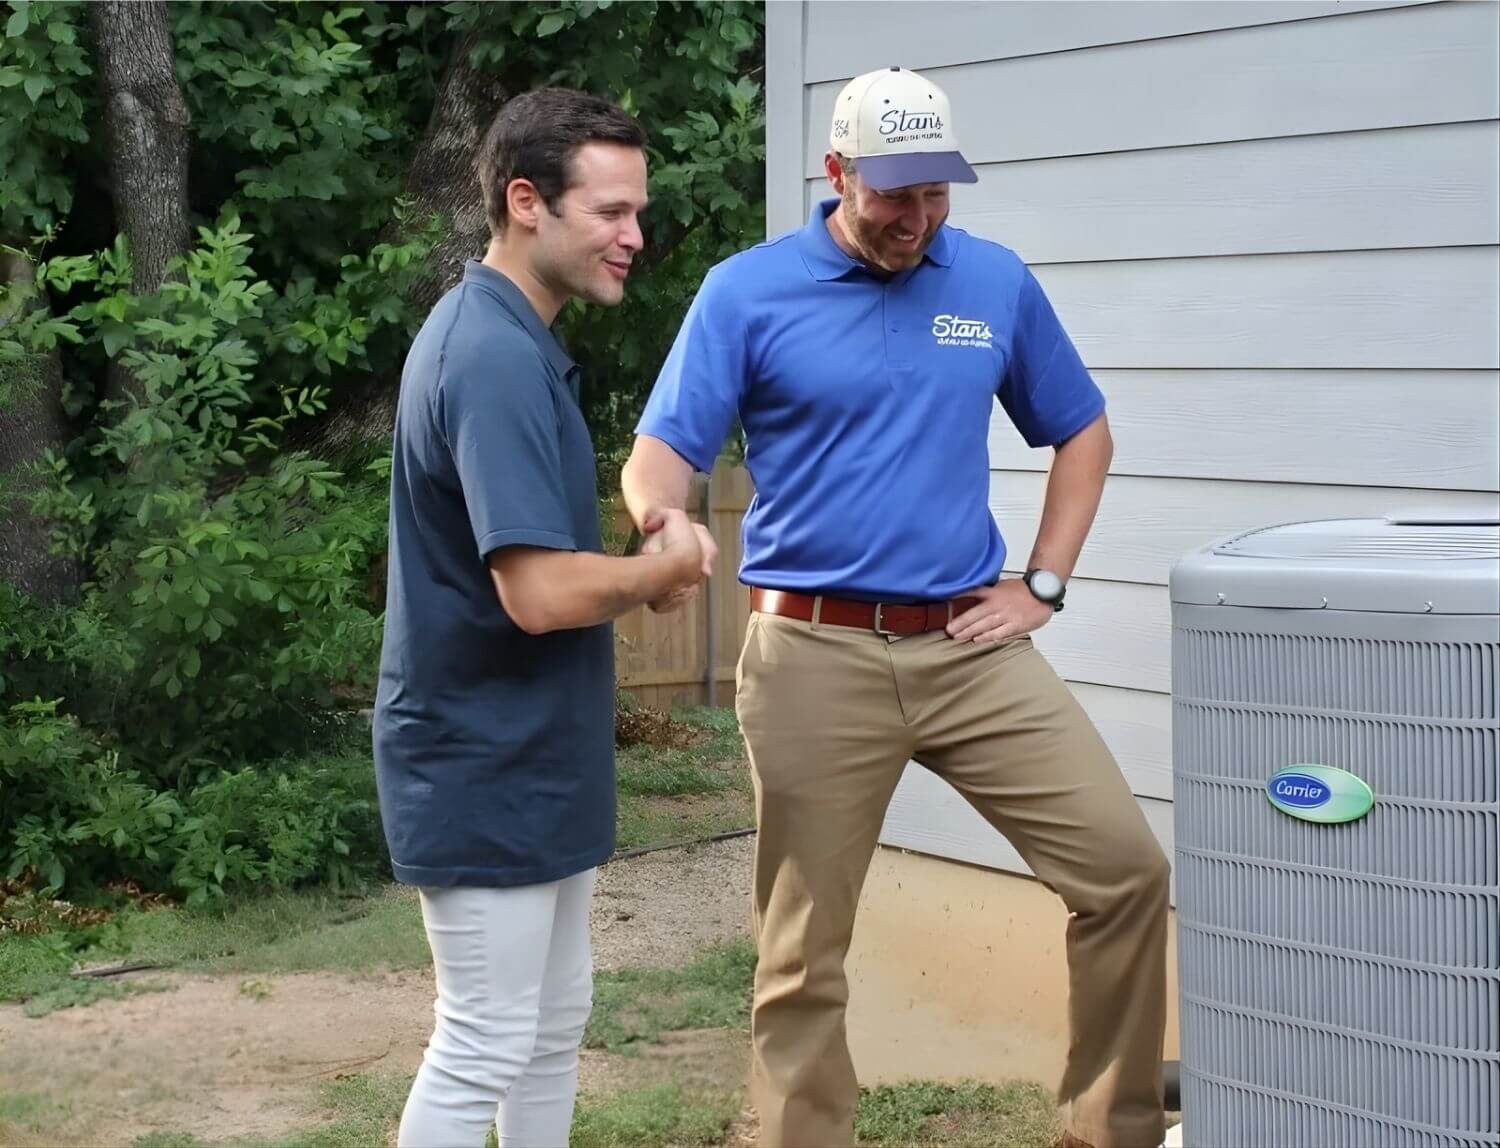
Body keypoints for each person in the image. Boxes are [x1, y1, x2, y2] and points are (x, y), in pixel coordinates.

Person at [621, 66, 1169, 1148]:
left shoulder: (994, 283)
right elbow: (660, 454)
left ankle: (1107, 1129)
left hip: (970, 649)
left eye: (936, 194)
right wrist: (661, 524)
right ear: (838, 174)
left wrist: (1041, 584)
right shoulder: (747, 290)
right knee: (801, 951)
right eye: (893, 194)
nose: (916, 218)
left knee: (1125, 872)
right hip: (812, 650)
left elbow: (1083, 431)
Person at [372, 87, 715, 1148]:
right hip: (479, 762)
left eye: (638, 211)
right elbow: (538, 591)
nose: (635, 236)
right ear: (527, 201)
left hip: (531, 755)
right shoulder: (490, 357)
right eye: (611, 212)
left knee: (549, 1023)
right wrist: (657, 570)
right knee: (483, 1038)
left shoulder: (517, 339)